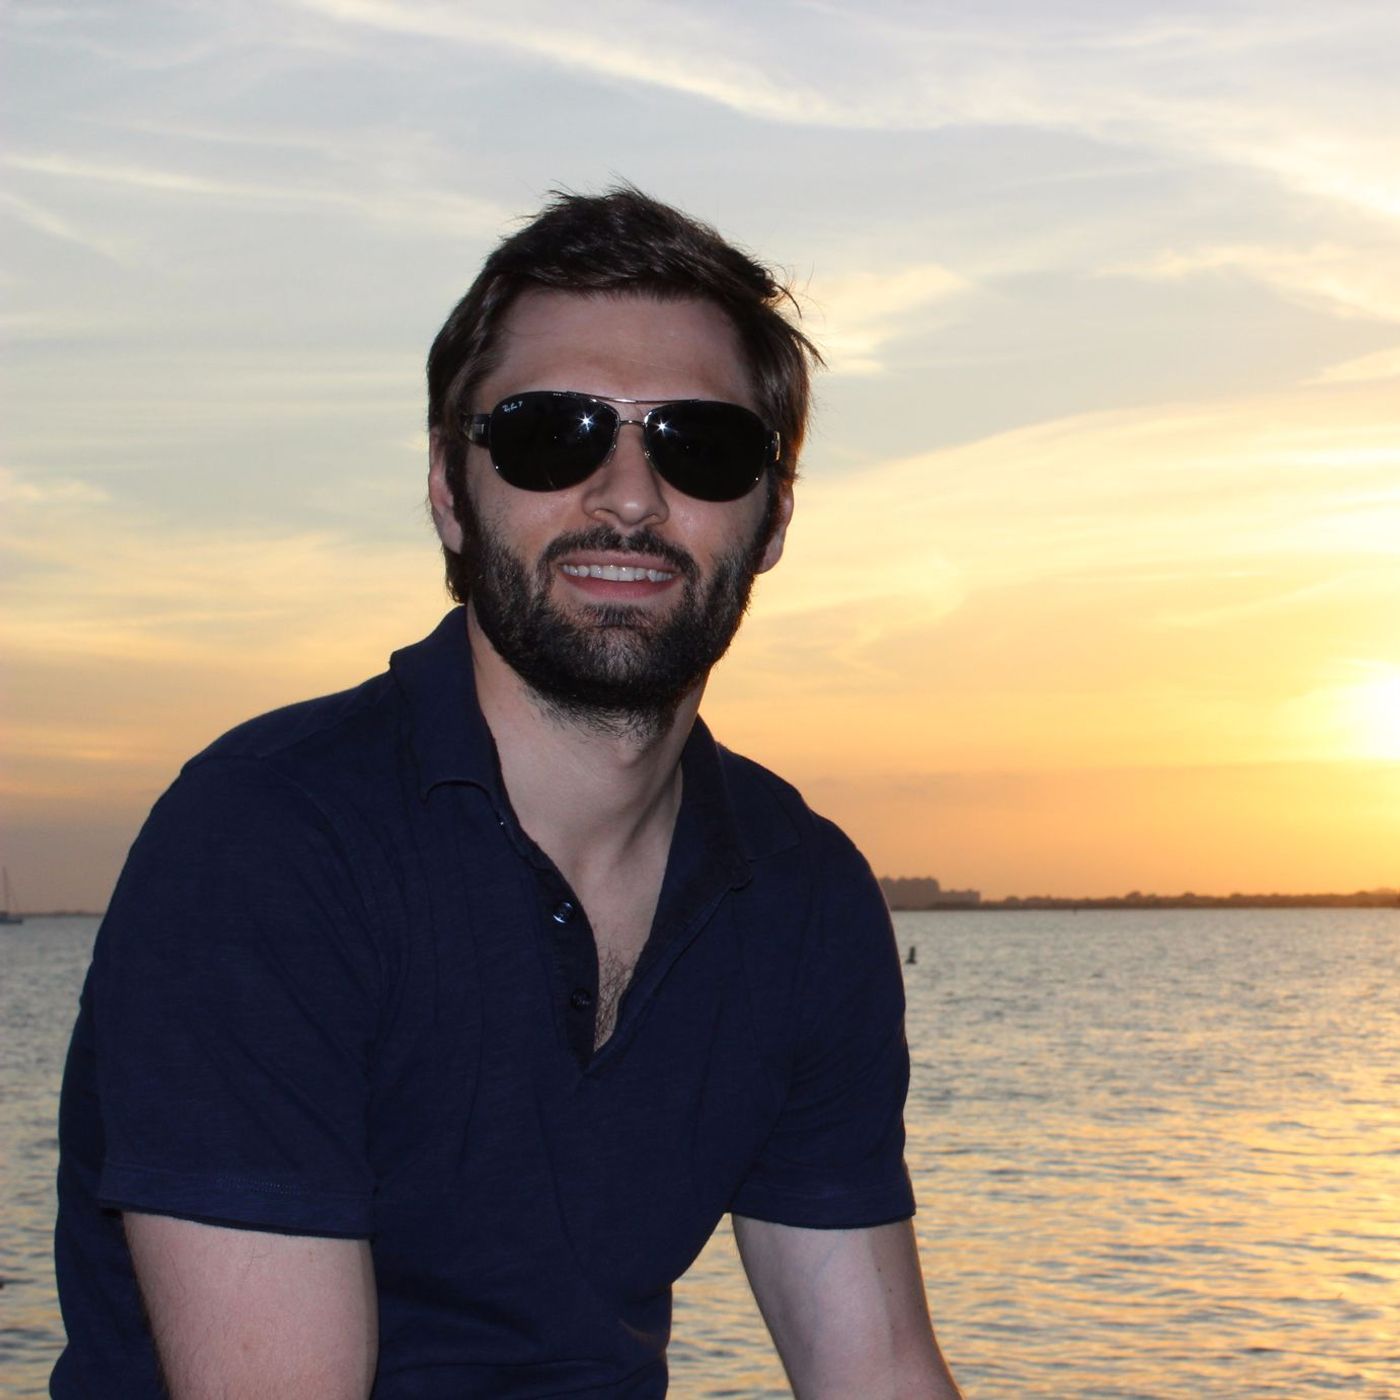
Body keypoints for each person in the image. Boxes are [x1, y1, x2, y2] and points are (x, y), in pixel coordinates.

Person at [52, 187, 963, 1398]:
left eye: (699, 444)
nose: (628, 496)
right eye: (551, 434)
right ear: (448, 487)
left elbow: (875, 1364)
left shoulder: (799, 892)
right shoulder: (269, 841)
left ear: (773, 514)